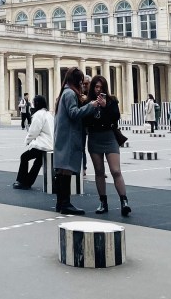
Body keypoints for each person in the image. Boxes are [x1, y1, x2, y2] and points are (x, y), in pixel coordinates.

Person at [86, 74, 132, 217]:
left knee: (115, 170)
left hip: (109, 137)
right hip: (94, 138)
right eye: (96, 86)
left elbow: (116, 116)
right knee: (99, 172)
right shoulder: (88, 102)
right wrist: (91, 107)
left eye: (101, 87)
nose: (98, 90)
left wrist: (105, 106)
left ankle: (124, 201)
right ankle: (103, 202)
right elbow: (85, 120)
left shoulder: (112, 101)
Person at [53, 68, 96, 215]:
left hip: (63, 136)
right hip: (69, 137)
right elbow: (73, 113)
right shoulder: (70, 94)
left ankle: (61, 202)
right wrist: (91, 106)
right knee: (66, 169)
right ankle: (65, 203)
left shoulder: (64, 92)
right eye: (81, 81)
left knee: (62, 170)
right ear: (77, 81)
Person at [13, 95, 54, 189]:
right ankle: (28, 182)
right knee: (38, 163)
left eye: (33, 102)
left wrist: (27, 141)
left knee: (24, 157)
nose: (32, 104)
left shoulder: (38, 115)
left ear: (37, 103)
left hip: (43, 145)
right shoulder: (49, 114)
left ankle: (21, 181)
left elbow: (33, 131)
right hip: (51, 144)